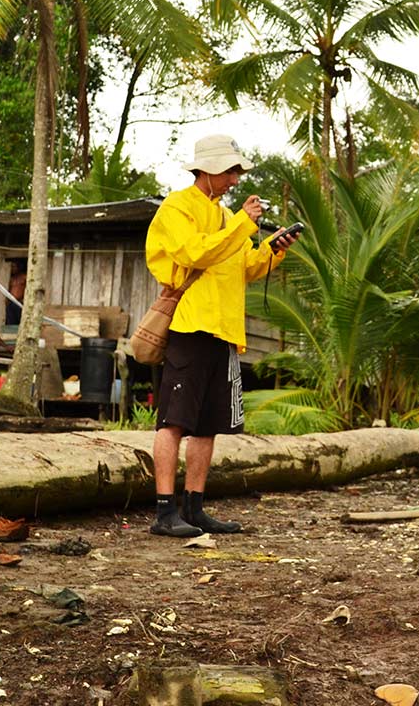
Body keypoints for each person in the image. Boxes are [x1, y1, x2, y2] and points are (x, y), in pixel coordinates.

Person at [144, 134, 298, 538]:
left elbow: (243, 266)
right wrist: (244, 224)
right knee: (174, 421)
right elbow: (195, 254)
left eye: (236, 172)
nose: (234, 180)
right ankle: (165, 511)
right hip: (192, 325)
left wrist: (272, 248)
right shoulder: (178, 207)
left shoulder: (229, 217)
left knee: (209, 425)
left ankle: (194, 508)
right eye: (230, 172)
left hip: (224, 330)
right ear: (208, 169)